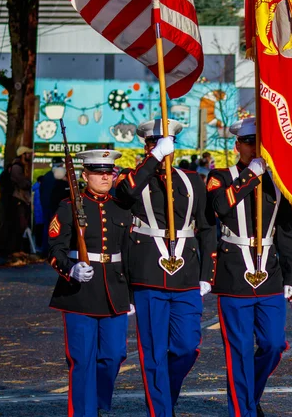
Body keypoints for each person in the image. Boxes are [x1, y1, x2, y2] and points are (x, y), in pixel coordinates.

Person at [116, 119, 216, 417]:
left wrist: (207, 274)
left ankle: (166, 394)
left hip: (186, 274)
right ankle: (160, 410)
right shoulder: (131, 177)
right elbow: (125, 196)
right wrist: (154, 158)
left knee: (187, 347)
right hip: (147, 272)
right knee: (154, 350)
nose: (163, 149)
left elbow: (208, 227)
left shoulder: (193, 180)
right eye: (154, 144)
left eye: (166, 144)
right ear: (147, 146)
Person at [206, 117, 292, 417]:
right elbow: (220, 206)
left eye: (259, 142)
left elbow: (286, 230)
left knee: (274, 344)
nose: (254, 146)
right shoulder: (221, 176)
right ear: (237, 145)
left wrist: (291, 275)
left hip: (269, 272)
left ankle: (250, 394)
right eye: (248, 141)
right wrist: (250, 175)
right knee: (240, 350)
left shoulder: (276, 181)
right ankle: (242, 411)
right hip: (234, 270)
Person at [48, 149, 132, 417]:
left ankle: (97, 401)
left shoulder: (121, 207)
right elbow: (54, 250)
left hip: (114, 291)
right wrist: (70, 269)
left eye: (110, 172)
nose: (106, 177)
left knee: (114, 355)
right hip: (80, 292)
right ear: (85, 175)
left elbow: (129, 252)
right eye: (99, 172)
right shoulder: (69, 206)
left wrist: (131, 294)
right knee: (82, 359)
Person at [41, 157, 67, 256]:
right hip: (55, 207)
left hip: (47, 206)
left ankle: (46, 250)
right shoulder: (59, 178)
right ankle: (54, 251)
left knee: (47, 228)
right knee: (57, 230)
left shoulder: (47, 176)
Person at [11, 146, 33, 252]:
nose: (29, 155)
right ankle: (16, 250)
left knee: (23, 226)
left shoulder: (22, 166)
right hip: (19, 199)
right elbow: (21, 183)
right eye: (27, 153)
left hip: (23, 199)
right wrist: (27, 183)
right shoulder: (17, 167)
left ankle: (21, 249)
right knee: (19, 226)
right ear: (22, 155)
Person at [32, 175, 44, 251]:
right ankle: (39, 246)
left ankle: (38, 245)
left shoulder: (35, 189)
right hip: (41, 213)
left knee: (38, 229)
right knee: (41, 230)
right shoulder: (41, 189)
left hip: (37, 215)